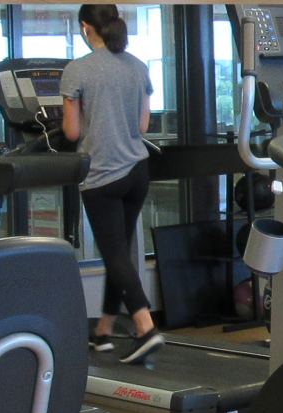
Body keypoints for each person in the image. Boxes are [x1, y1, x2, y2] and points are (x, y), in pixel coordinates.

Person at [63, 4, 162, 363]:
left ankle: (145, 326)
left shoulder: (78, 70)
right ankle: (104, 330)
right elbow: (142, 128)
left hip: (102, 174)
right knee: (115, 251)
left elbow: (72, 131)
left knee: (116, 254)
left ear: (87, 28)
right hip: (137, 170)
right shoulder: (138, 66)